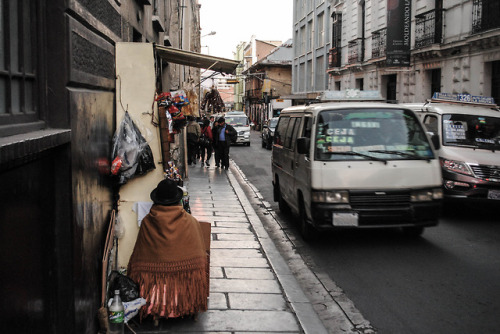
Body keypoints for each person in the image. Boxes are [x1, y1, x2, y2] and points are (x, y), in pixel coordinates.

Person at [127, 178, 210, 320]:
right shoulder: (191, 222)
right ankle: (181, 307)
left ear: (157, 200)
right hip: (184, 296)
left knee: (155, 285)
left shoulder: (147, 221)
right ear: (177, 200)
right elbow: (201, 256)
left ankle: (158, 308)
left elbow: (138, 257)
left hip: (156, 294)